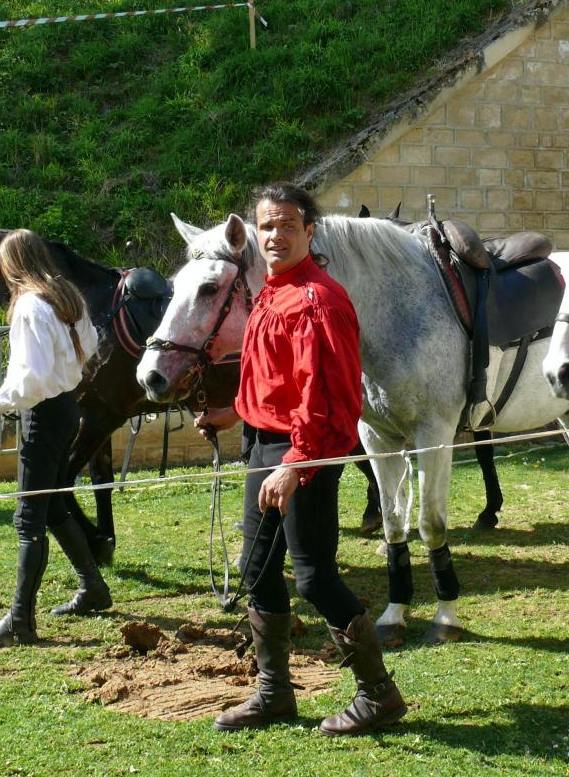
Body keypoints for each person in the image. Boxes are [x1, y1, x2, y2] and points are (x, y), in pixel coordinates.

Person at [195, 183, 406, 736]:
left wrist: (298, 463)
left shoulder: (318, 299)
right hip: (265, 447)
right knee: (256, 568)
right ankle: (274, 693)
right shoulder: (270, 290)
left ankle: (379, 695)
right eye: (266, 225)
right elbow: (273, 379)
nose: (275, 235)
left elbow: (329, 399)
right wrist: (233, 413)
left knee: (313, 577)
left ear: (309, 233)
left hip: (303, 454)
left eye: (287, 225)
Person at [0, 229, 109, 647]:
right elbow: (92, 343)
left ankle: (20, 621)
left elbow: (31, 378)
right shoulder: (66, 295)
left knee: (28, 516)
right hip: (66, 406)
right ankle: (93, 587)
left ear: (11, 264)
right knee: (50, 506)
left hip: (45, 412)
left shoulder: (29, 304)